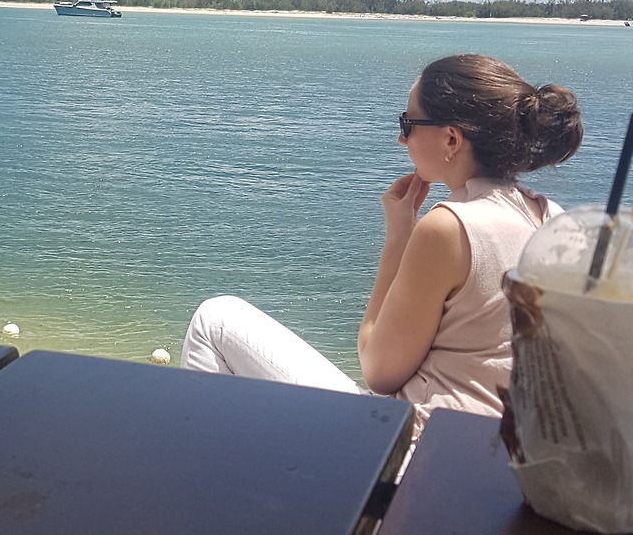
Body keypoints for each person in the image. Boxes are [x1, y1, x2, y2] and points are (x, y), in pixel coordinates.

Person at [180, 53, 584, 430]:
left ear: (451, 140)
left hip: (419, 454)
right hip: (500, 456)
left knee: (215, 319)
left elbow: (379, 372)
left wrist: (399, 236)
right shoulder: (551, 218)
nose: (400, 140)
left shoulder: (450, 227)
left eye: (407, 124)